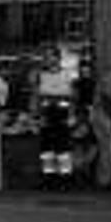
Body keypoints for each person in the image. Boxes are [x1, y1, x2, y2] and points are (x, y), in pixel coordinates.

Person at [35, 47, 77, 190]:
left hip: (61, 114)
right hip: (47, 114)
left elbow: (72, 97)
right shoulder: (41, 75)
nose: (46, 59)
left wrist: (71, 115)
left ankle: (65, 179)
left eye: (50, 56)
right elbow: (38, 97)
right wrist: (38, 115)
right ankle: (48, 179)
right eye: (45, 56)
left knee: (63, 148)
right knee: (46, 149)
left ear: (57, 58)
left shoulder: (67, 75)